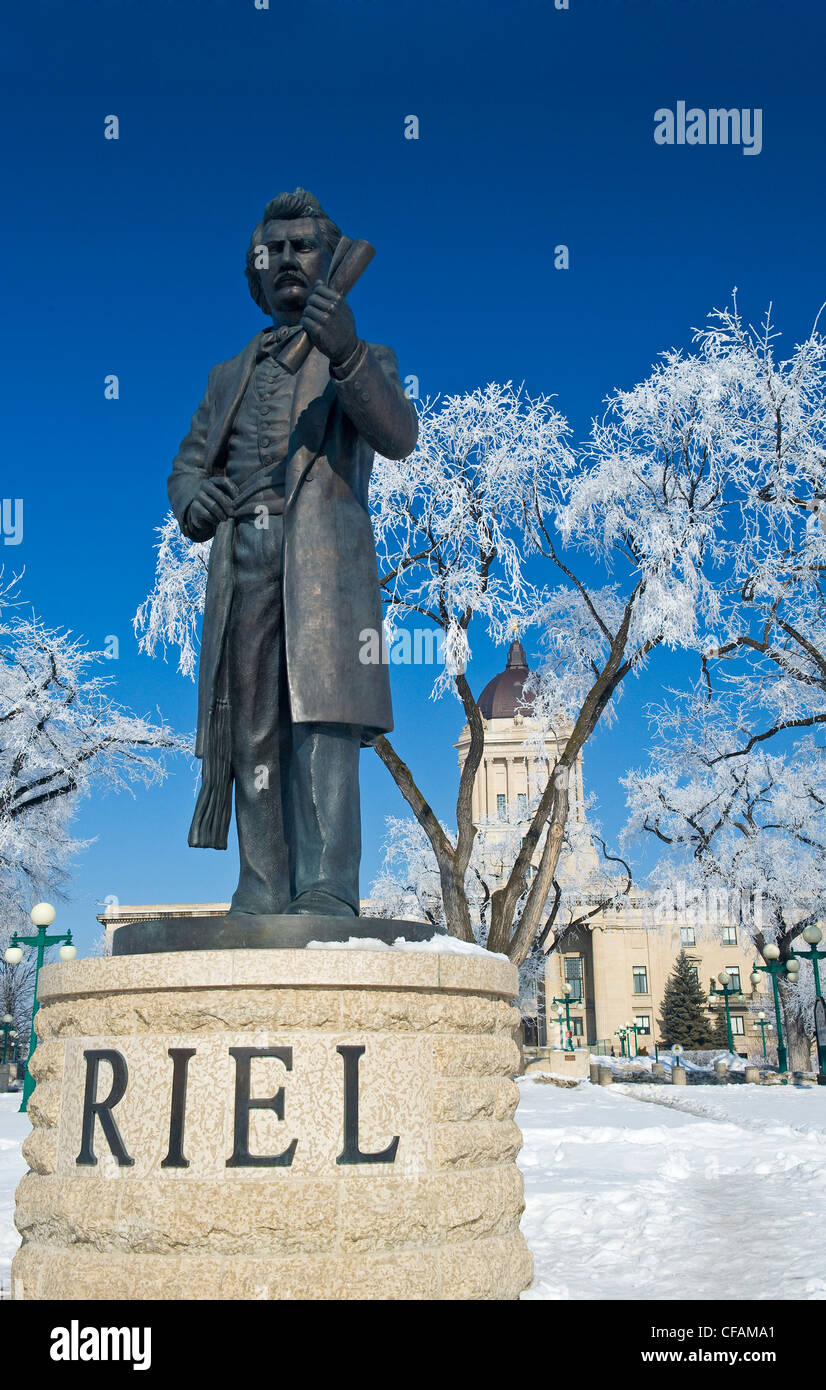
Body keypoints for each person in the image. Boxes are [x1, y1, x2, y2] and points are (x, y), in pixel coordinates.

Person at [168, 189, 417, 918]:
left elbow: (398, 435)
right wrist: (193, 498)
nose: (283, 259)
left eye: (301, 246)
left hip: (325, 568)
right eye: (269, 250)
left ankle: (326, 888)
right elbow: (186, 466)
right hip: (243, 559)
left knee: (322, 720)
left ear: (330, 260)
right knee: (250, 724)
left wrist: (344, 349)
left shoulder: (368, 358)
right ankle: (263, 885)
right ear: (254, 271)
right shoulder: (226, 375)